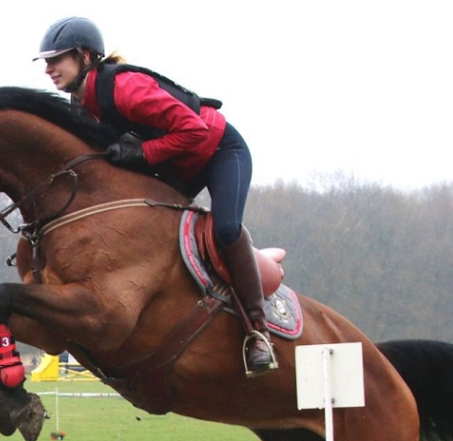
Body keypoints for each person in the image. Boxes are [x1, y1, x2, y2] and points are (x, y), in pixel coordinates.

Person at [35, 17, 277, 377]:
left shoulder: (125, 88)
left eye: (57, 59)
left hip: (219, 150)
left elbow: (194, 130)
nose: (49, 69)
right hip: (178, 163)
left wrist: (144, 154)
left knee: (225, 228)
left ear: (85, 56)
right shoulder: (80, 105)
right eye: (46, 62)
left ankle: (258, 332)